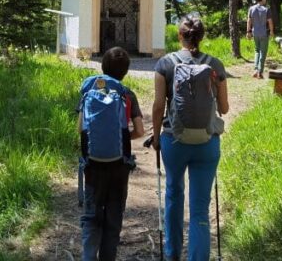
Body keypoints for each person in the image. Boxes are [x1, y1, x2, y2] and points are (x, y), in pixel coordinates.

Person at [151, 15, 229, 261]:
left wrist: (155, 137)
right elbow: (224, 109)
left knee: (173, 192)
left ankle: (172, 253)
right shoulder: (215, 65)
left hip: (174, 141)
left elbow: (157, 106)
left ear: (179, 36)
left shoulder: (165, 64)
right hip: (207, 143)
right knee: (199, 209)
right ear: (202, 36)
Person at [78, 46, 144, 261]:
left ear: (102, 66)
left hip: (92, 165)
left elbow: (81, 129)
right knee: (113, 216)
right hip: (119, 165)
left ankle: (88, 257)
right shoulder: (127, 94)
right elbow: (140, 131)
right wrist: (124, 138)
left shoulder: (89, 91)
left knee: (91, 216)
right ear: (125, 72)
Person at [246, 0, 274, 79]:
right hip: (264, 33)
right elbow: (270, 22)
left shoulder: (251, 8)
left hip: (255, 33)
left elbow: (249, 21)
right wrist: (272, 31)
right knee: (263, 52)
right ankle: (260, 72)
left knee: (257, 51)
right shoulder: (267, 9)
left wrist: (248, 31)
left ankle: (255, 70)